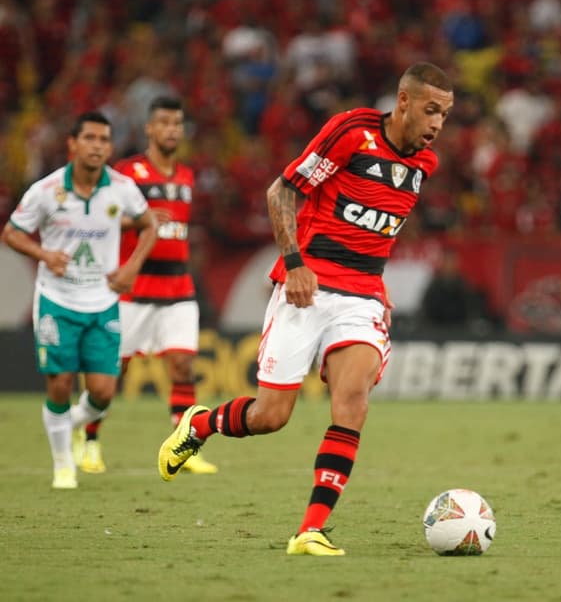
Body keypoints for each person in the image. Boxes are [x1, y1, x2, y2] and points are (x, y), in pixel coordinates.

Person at [157, 62, 454, 555]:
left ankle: (310, 529)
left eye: (444, 114)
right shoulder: (351, 132)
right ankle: (199, 424)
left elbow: (376, 225)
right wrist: (294, 264)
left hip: (360, 298)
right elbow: (282, 191)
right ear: (403, 102)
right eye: (430, 110)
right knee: (271, 416)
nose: (437, 123)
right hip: (306, 288)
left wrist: (378, 286)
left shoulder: (426, 165)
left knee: (353, 400)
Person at [1, 111, 157, 489]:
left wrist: (133, 266)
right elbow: (11, 233)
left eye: (104, 140)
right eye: (90, 138)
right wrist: (45, 256)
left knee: (103, 391)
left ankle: (63, 425)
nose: (98, 146)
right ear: (73, 143)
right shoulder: (46, 190)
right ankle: (62, 465)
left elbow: (149, 223)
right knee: (60, 382)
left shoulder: (120, 188)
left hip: (102, 301)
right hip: (57, 300)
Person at [70, 96, 218, 476]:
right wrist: (141, 221)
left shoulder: (186, 175)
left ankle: (182, 447)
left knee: (183, 366)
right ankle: (88, 440)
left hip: (179, 287)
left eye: (177, 123)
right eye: (165, 123)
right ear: (149, 129)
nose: (172, 130)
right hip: (134, 289)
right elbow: (100, 218)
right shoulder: (127, 172)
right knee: (109, 373)